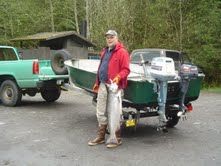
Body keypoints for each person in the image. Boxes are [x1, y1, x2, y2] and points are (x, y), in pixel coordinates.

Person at [88, 30, 130, 148]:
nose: (109, 39)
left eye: (111, 37)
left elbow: (126, 70)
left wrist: (118, 77)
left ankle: (116, 138)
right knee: (100, 111)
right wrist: (98, 81)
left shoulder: (122, 52)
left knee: (115, 113)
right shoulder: (105, 51)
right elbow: (102, 67)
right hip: (103, 85)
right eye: (107, 37)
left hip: (115, 88)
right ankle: (101, 137)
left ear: (116, 38)